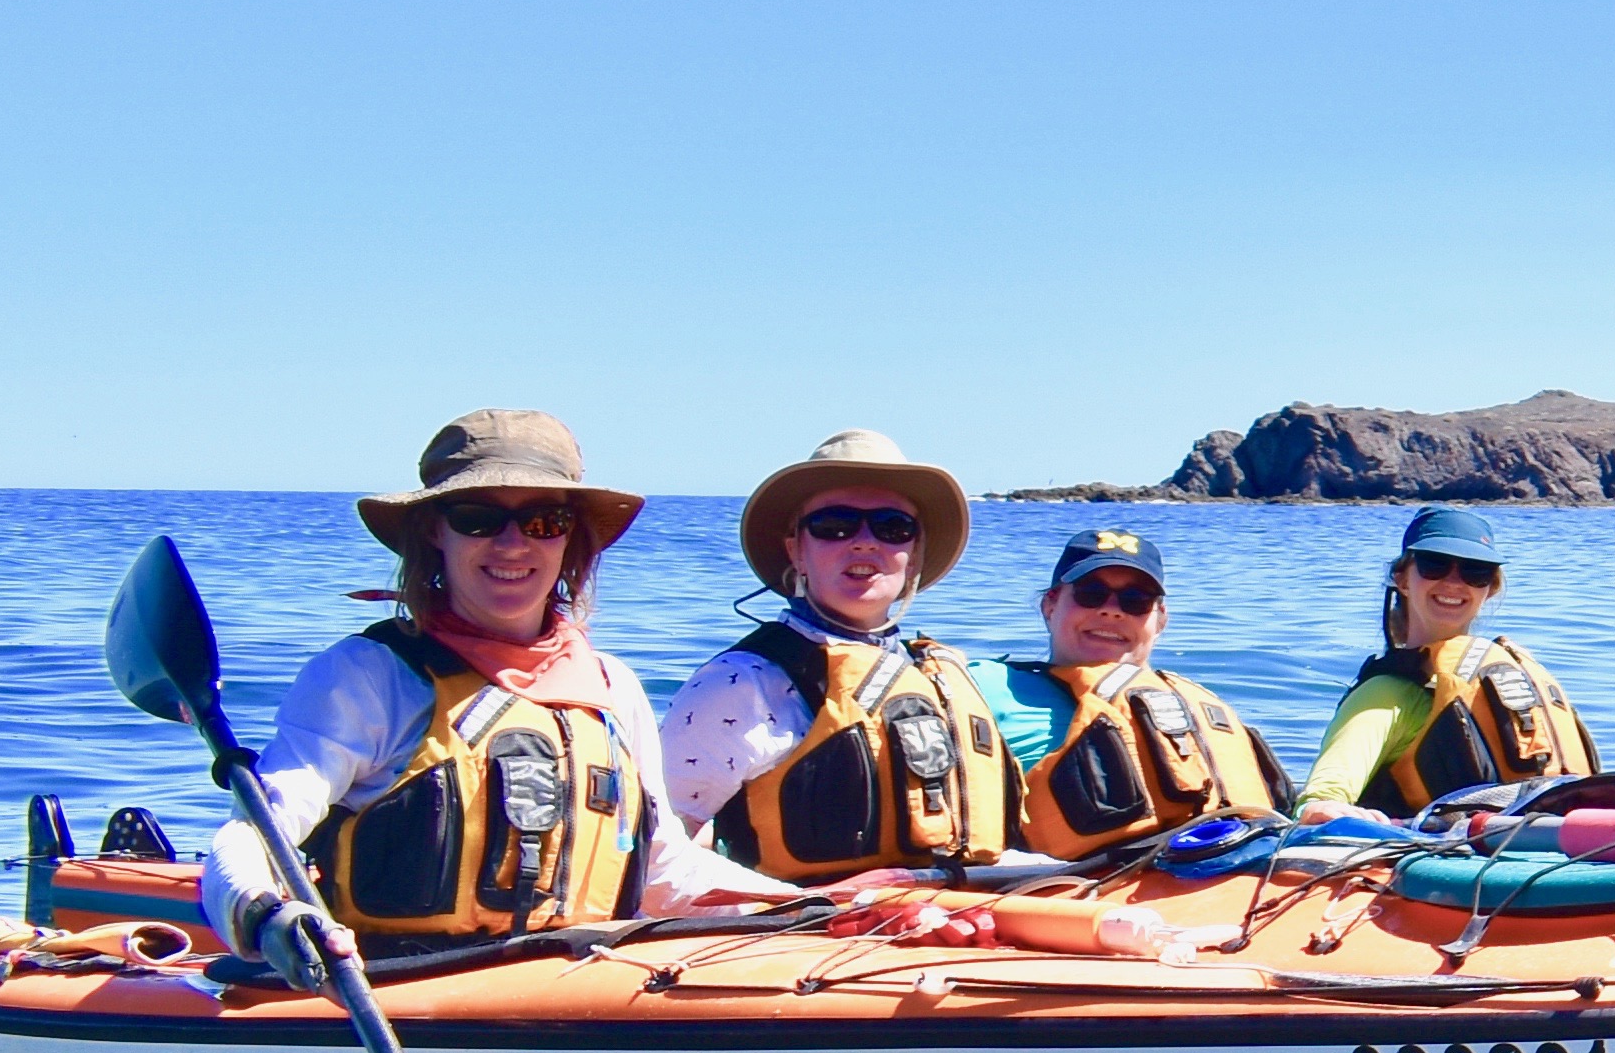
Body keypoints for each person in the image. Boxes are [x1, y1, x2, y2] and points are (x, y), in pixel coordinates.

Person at [199, 409, 786, 980]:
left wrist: (812, 910)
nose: (512, 545)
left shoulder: (611, 686)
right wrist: (266, 917)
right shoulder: (366, 677)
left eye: (542, 521)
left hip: (583, 982)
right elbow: (253, 835)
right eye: (478, 519)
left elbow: (662, 871)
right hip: (401, 985)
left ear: (569, 537)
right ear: (434, 531)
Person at [666, 428, 1020, 880]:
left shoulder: (936, 676)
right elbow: (666, 846)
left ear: (912, 555)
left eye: (893, 527)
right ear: (795, 549)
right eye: (834, 525)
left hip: (950, 918)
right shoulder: (744, 682)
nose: (865, 542)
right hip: (800, 929)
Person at [987, 525, 1291, 863]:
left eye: (1136, 601)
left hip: (1223, 872)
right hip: (1066, 884)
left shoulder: (1194, 708)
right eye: (1091, 593)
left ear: (1160, 620)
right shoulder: (986, 685)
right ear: (1050, 604)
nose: (1112, 611)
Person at [1293, 508, 1594, 815]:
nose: (1453, 582)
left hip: (1534, 847)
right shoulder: (1386, 694)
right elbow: (1321, 803)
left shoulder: (1518, 685)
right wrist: (1324, 808)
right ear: (1402, 579)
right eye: (1433, 565)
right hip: (1428, 851)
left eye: (1475, 571)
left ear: (1490, 589)